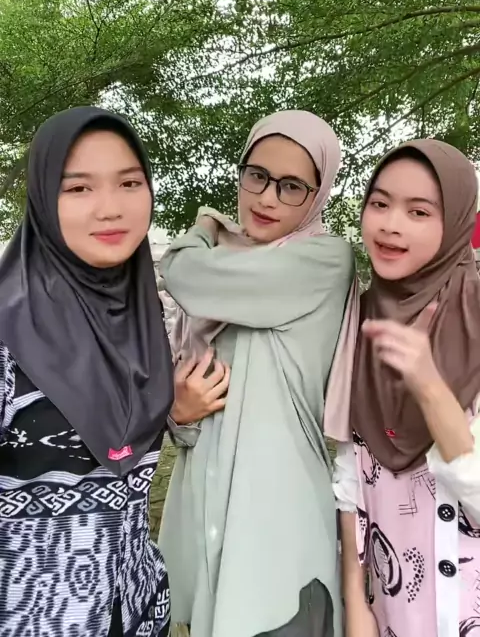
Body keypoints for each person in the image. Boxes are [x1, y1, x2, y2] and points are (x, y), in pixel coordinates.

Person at [158, 110, 356, 637]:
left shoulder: (323, 260)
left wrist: (203, 227)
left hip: (277, 516)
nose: (267, 198)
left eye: (291, 186)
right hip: (205, 500)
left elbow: (182, 273)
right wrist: (180, 414)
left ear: (318, 194)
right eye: (257, 175)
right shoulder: (235, 264)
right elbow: (192, 411)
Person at [0, 107, 173, 637]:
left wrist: (176, 410)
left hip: (140, 608)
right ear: (42, 198)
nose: (110, 208)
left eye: (129, 183)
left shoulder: (143, 319)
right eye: (78, 188)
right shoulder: (8, 331)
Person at [330, 140, 480, 637]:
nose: (391, 224)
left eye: (418, 212)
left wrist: (431, 388)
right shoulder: (358, 318)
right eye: (380, 203)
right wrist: (357, 602)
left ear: (455, 222)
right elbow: (350, 475)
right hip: (394, 613)